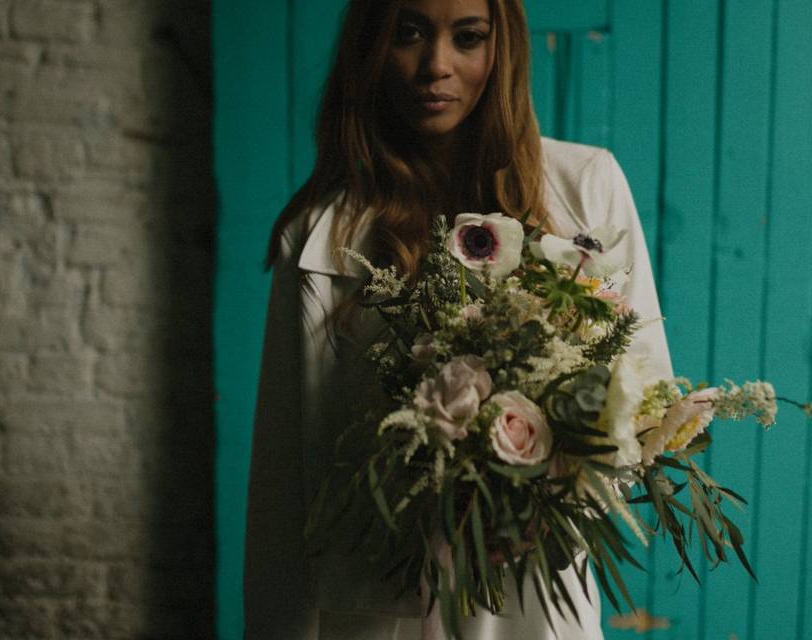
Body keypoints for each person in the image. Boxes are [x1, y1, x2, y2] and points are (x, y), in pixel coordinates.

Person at [243, 0, 673, 638]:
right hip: (368, 607)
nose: (435, 66)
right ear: (372, 45)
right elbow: (284, 476)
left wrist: (540, 480)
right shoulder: (322, 233)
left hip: (527, 596)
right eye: (408, 32)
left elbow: (645, 408)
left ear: (503, 51)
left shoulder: (584, 188)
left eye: (467, 37)